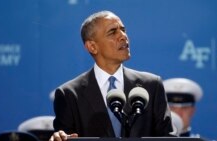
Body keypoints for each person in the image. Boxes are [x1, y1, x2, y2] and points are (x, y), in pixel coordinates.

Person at [49, 10, 173, 141]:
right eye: (112, 32)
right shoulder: (69, 94)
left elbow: (168, 138)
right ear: (92, 46)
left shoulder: (152, 86)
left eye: (123, 30)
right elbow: (64, 137)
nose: (123, 36)